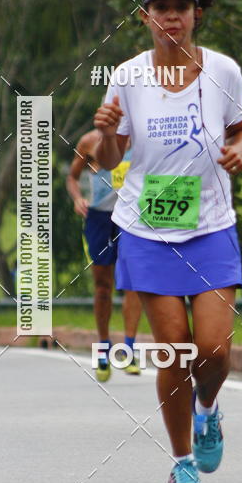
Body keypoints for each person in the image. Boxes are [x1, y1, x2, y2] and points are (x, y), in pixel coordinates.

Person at [94, 0, 242, 483]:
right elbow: (111, 156)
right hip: (147, 226)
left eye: (180, 8)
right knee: (174, 351)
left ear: (195, 15)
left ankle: (208, 409)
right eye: (160, 9)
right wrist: (102, 133)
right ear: (145, 18)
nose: (171, 18)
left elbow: (241, 129)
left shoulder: (224, 71)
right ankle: (182, 461)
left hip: (210, 225)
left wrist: (239, 152)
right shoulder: (128, 76)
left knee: (213, 350)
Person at [66, 129, 142, 381]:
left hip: (131, 217)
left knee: (132, 282)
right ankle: (103, 347)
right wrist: (77, 199)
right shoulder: (89, 140)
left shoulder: (140, 135)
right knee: (102, 286)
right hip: (99, 218)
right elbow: (72, 178)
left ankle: (129, 349)